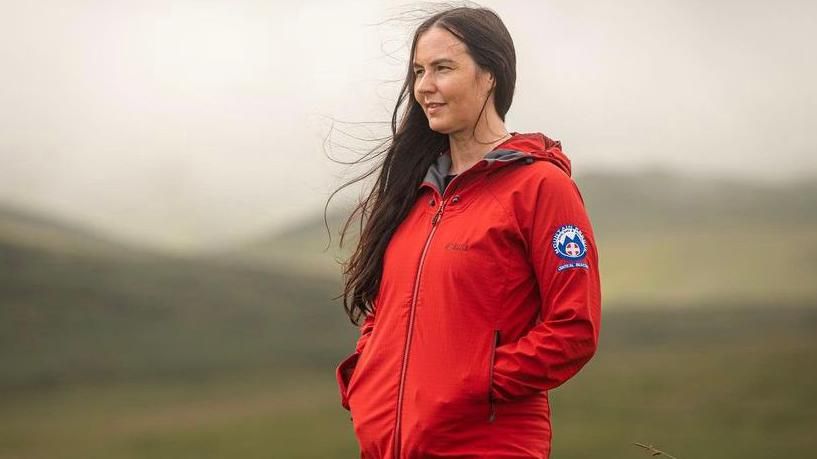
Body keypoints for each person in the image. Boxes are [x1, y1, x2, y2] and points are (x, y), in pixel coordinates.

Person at [331, 5, 601, 459]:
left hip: (487, 446)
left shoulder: (541, 186)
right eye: (418, 71)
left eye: (443, 68)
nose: (423, 87)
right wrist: (369, 378)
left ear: (490, 73)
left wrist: (474, 381)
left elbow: (573, 329)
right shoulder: (416, 190)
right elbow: (388, 308)